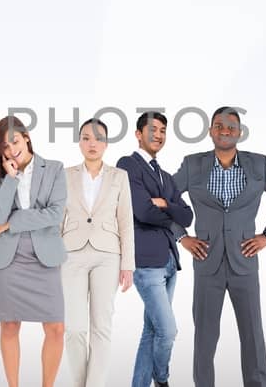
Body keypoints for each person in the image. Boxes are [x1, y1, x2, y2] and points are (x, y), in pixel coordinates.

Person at [172, 106, 266, 387]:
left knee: (253, 334)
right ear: (210, 131)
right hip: (207, 261)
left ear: (239, 132)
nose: (225, 130)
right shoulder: (193, 164)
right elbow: (162, 199)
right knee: (204, 337)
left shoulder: (259, 164)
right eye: (219, 126)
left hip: (245, 260)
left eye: (231, 126)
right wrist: (182, 236)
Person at [0, 115, 67, 387]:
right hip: (9, 259)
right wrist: (10, 179)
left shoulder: (55, 168)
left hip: (45, 256)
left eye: (15, 141)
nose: (12, 150)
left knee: (56, 327)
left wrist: (15, 221)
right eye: (4, 147)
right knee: (9, 326)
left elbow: (55, 214)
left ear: (26, 137)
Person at [116, 112, 193, 387]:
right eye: (152, 130)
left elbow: (188, 216)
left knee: (151, 332)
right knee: (168, 331)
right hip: (147, 261)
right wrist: (164, 209)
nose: (158, 135)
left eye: (163, 131)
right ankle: (161, 379)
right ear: (138, 134)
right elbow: (143, 211)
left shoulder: (165, 175)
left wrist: (165, 204)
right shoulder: (128, 165)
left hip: (170, 260)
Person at [60, 119, 135, 387]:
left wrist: (129, 264)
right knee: (74, 328)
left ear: (106, 143)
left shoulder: (119, 176)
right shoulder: (65, 175)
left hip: (108, 255)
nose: (92, 143)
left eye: (98, 138)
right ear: (79, 141)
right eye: (86, 137)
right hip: (71, 254)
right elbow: (58, 219)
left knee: (101, 326)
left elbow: (126, 221)